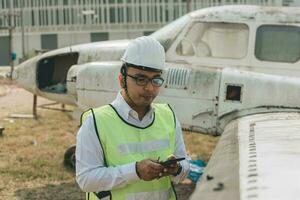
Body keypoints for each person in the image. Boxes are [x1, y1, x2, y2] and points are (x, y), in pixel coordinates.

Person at [76, 36, 190, 200]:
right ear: (122, 80)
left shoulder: (168, 116)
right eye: (140, 79)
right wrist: (135, 171)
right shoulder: (96, 122)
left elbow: (185, 166)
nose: (149, 88)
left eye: (156, 79)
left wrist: (177, 168)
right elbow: (86, 180)